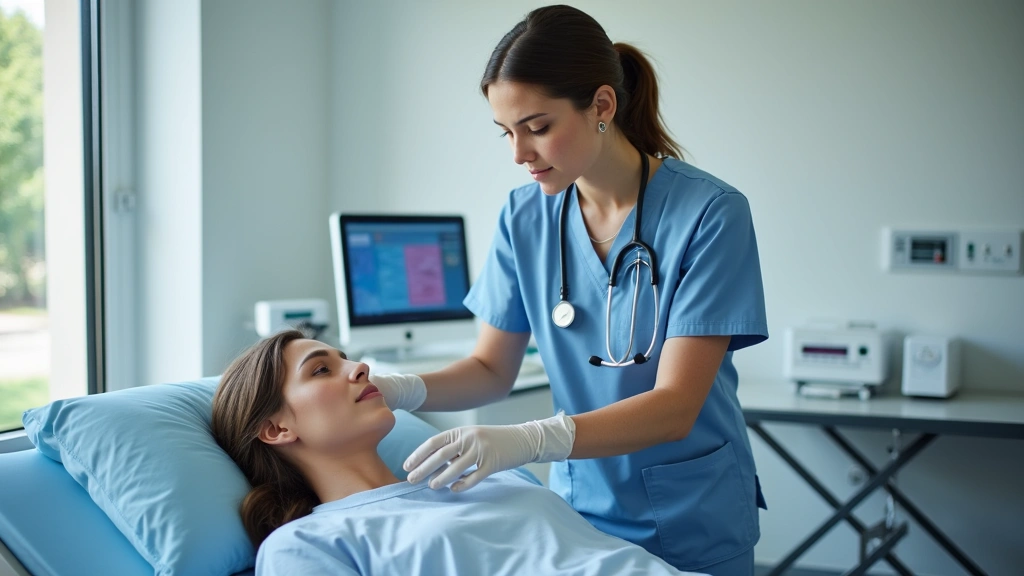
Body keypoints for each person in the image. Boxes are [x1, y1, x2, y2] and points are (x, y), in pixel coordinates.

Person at [367, 5, 769, 574]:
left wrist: (529, 439)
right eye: (507, 132)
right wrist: (398, 389)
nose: (518, 154)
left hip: (691, 512)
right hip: (580, 514)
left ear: (602, 105)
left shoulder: (709, 214)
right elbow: (490, 369)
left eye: (538, 128)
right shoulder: (523, 217)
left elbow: (676, 407)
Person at [211, 330, 704, 575]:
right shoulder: (307, 546)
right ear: (275, 428)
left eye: (346, 358)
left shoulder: (494, 474)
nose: (359, 367)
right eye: (321, 371)